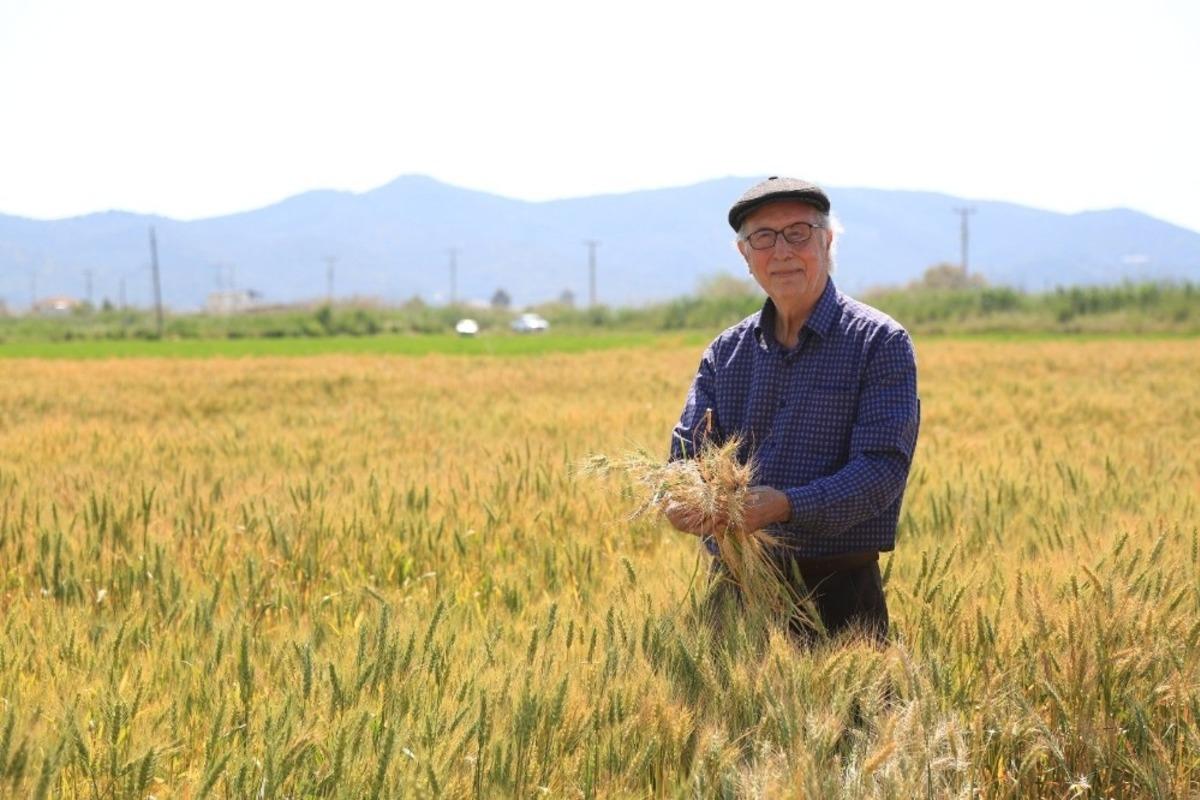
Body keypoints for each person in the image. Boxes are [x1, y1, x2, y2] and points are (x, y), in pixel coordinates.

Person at [665, 176, 920, 644]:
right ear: (745, 255)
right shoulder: (725, 353)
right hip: (735, 597)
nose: (780, 251)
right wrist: (681, 500)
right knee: (728, 720)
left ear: (826, 241)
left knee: (852, 720)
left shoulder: (879, 343)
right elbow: (685, 457)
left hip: (840, 600)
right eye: (762, 237)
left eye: (798, 233)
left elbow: (881, 470)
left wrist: (786, 506)